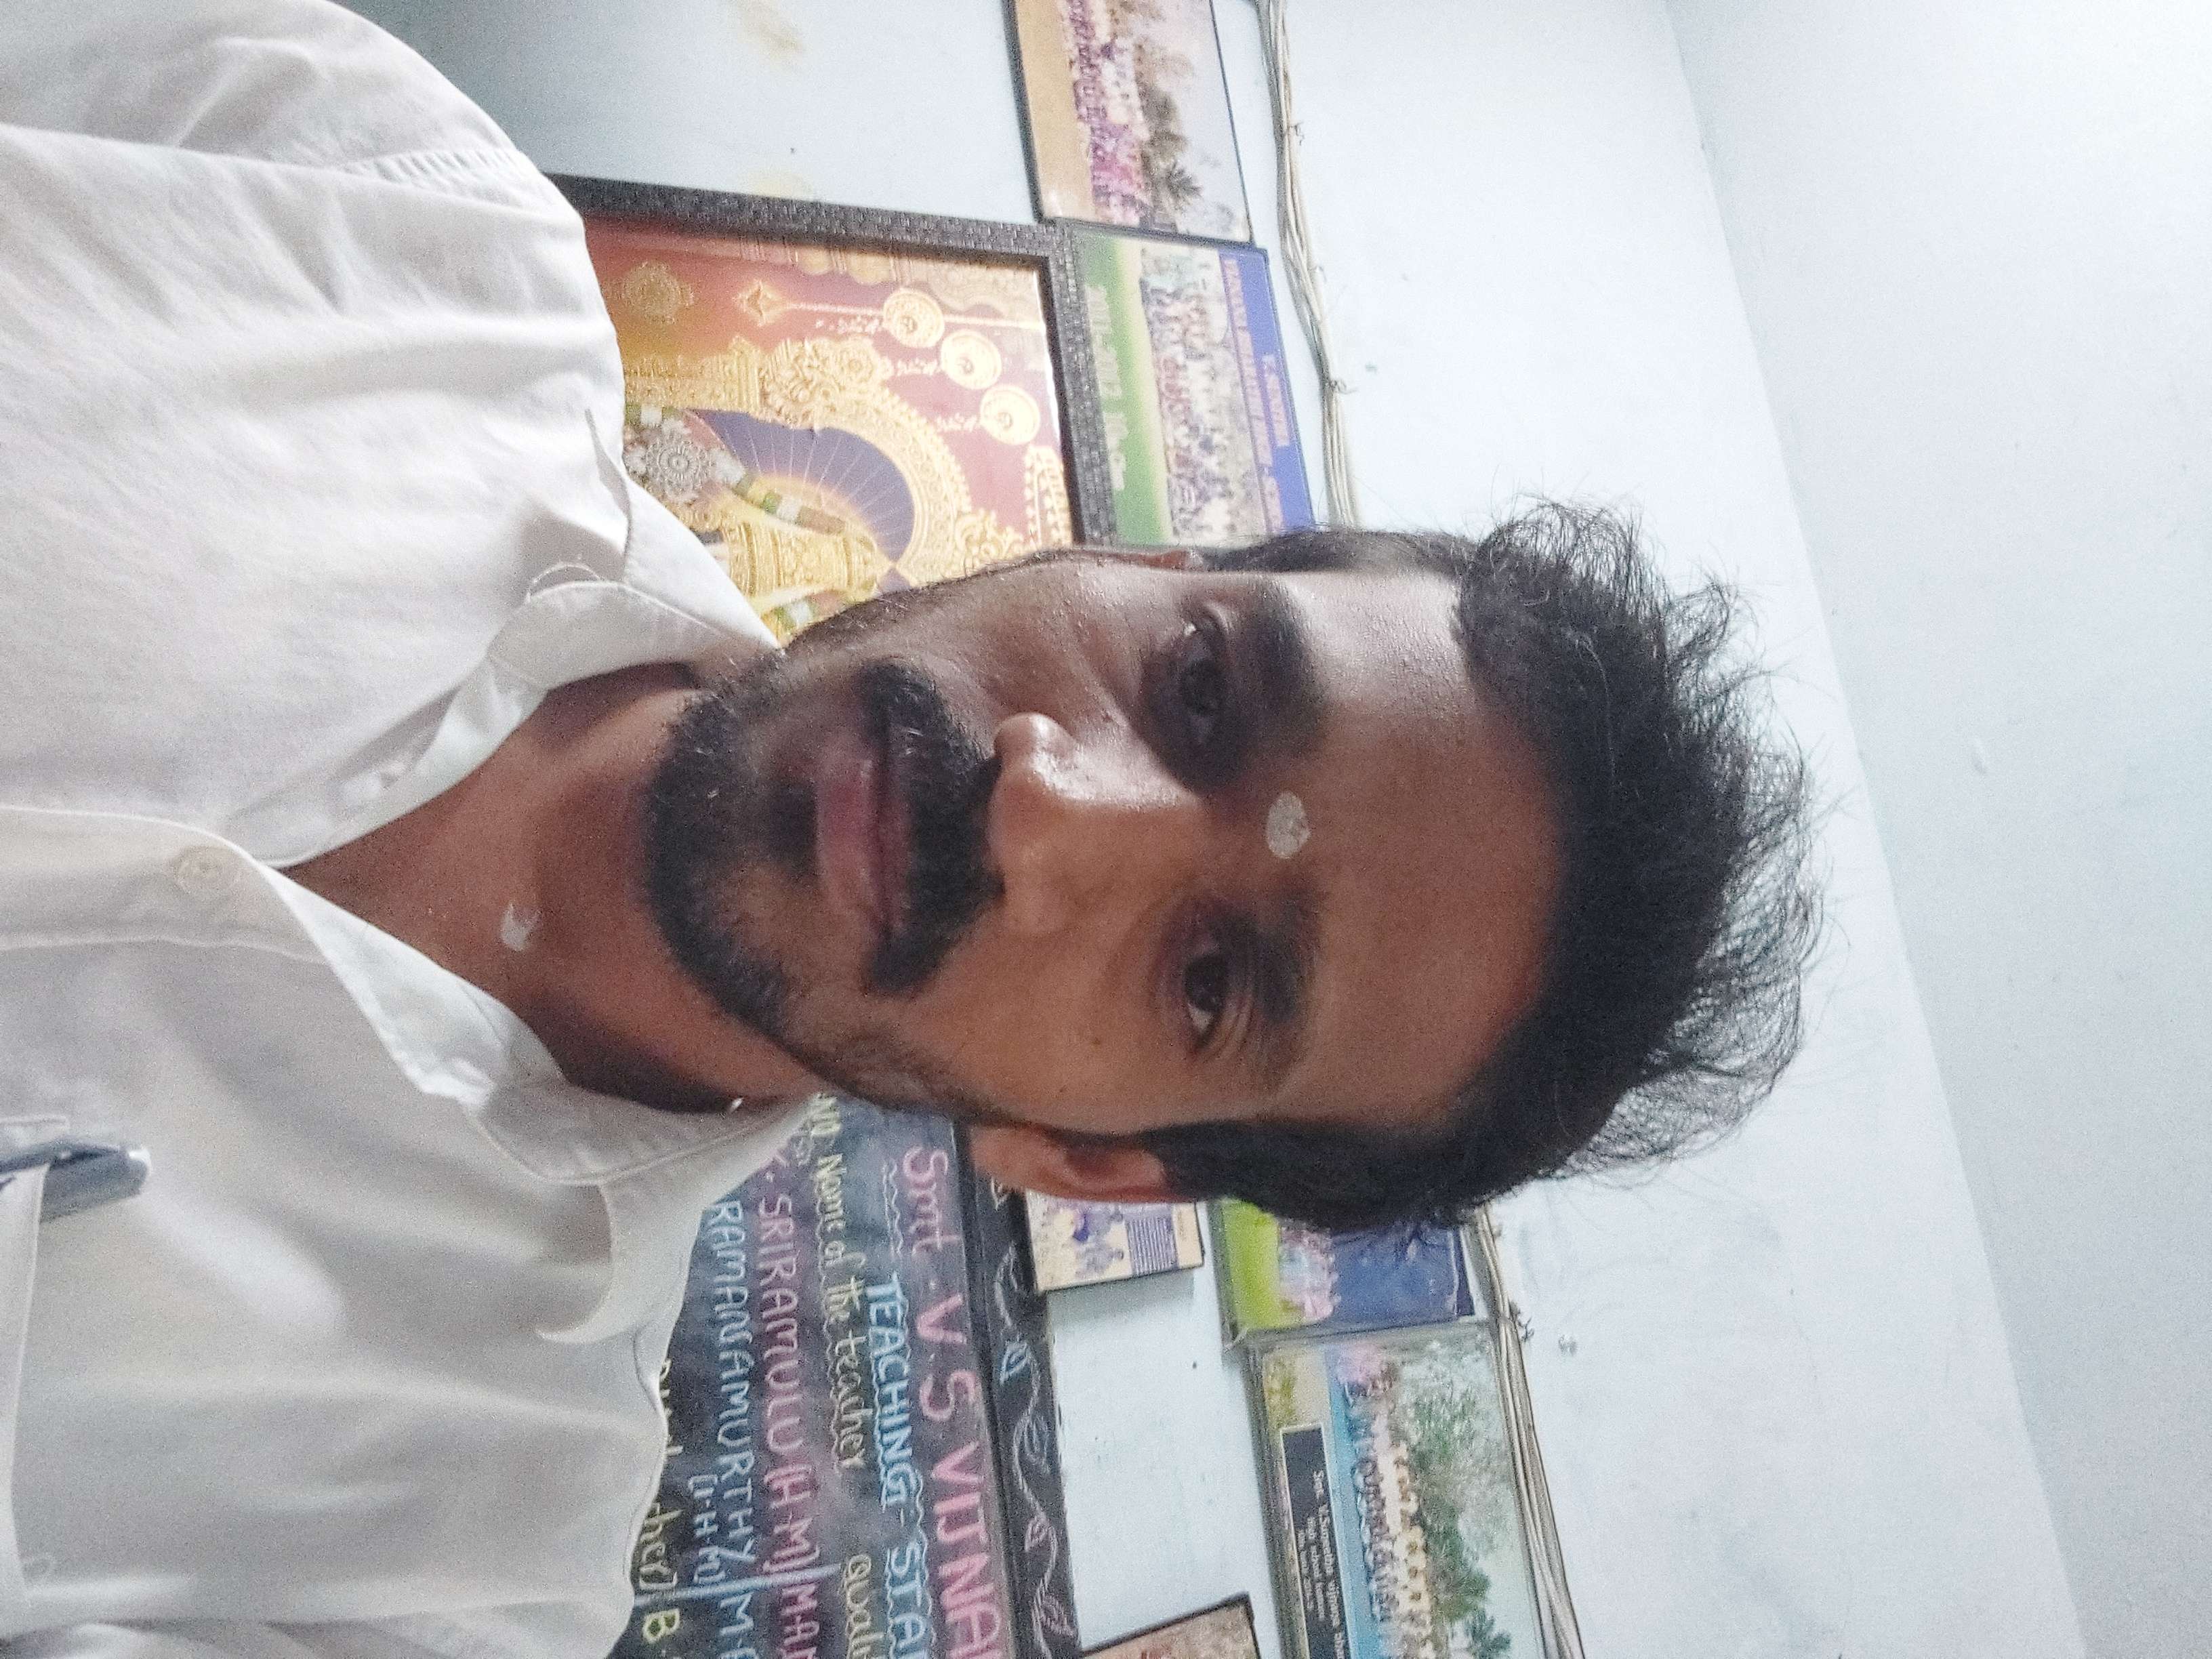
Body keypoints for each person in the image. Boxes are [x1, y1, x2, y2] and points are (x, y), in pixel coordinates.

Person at [0, 1, 1816, 1653]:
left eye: (1209, 980)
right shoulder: (392, 221)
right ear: (1135, 559)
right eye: (1196, 687)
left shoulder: (440, 1577)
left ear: (1099, 1163)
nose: (1048, 807)